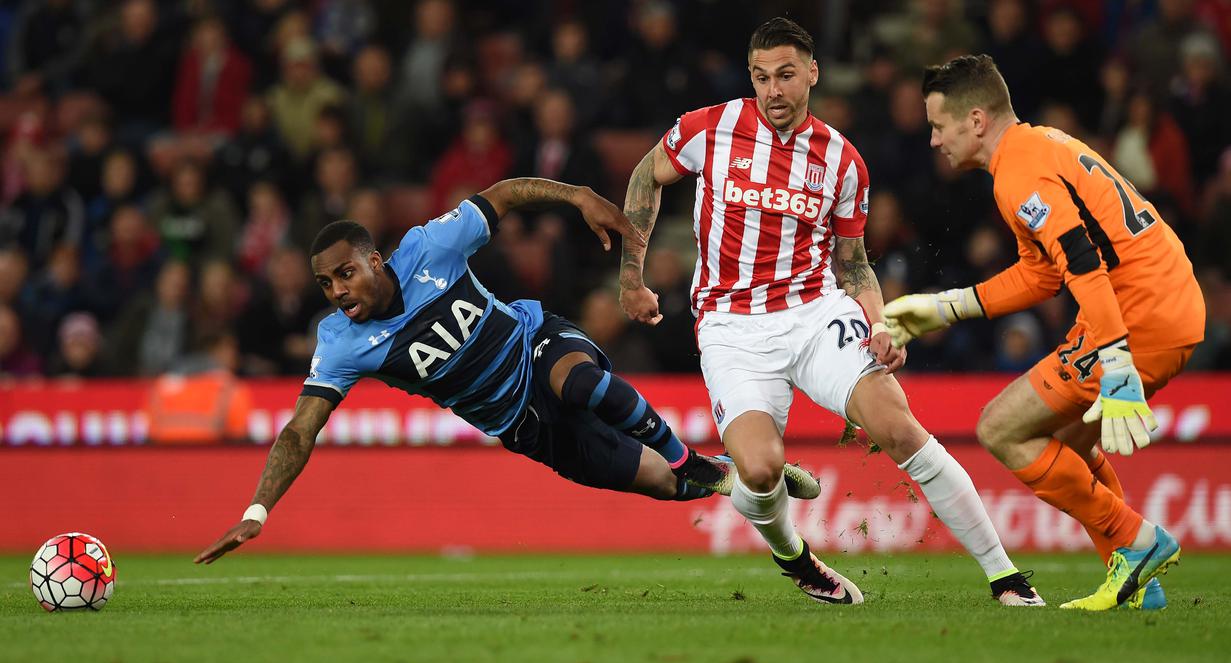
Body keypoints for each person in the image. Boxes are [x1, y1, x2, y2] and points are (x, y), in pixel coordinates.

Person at [619, 18, 1040, 607]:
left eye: (786, 75)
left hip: (814, 313)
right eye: (762, 77)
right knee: (761, 474)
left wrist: (880, 323)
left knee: (899, 428)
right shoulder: (709, 129)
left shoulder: (842, 161)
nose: (774, 90)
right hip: (731, 327)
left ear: (812, 73)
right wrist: (632, 276)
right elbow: (646, 174)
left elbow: (855, 263)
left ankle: (1006, 577)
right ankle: (795, 557)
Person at [195, 177, 816, 565]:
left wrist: (577, 197)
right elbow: (300, 430)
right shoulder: (340, 343)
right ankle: (736, 478)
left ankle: (698, 462)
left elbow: (506, 193)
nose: (337, 290)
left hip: (535, 341)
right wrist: (256, 513)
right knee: (659, 485)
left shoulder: (429, 246)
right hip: (519, 424)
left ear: (376, 260)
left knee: (578, 381)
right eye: (325, 283)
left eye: (346, 273)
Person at [885, 54, 1204, 610]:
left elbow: (1081, 262)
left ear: (976, 119)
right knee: (1070, 442)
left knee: (1002, 429)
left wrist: (1118, 362)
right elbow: (1044, 273)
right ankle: (1136, 584)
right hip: (1166, 303)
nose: (934, 140)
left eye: (939, 125)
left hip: (1137, 314)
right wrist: (948, 308)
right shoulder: (1038, 145)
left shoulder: (1020, 172)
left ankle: (1137, 540)